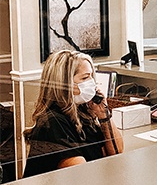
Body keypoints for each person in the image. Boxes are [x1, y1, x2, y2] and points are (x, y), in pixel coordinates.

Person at [23, 49, 123, 177]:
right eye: (85, 77)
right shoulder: (52, 121)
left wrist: (103, 114)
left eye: (92, 76)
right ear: (65, 83)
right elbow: (82, 173)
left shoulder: (82, 110)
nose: (92, 82)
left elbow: (116, 151)